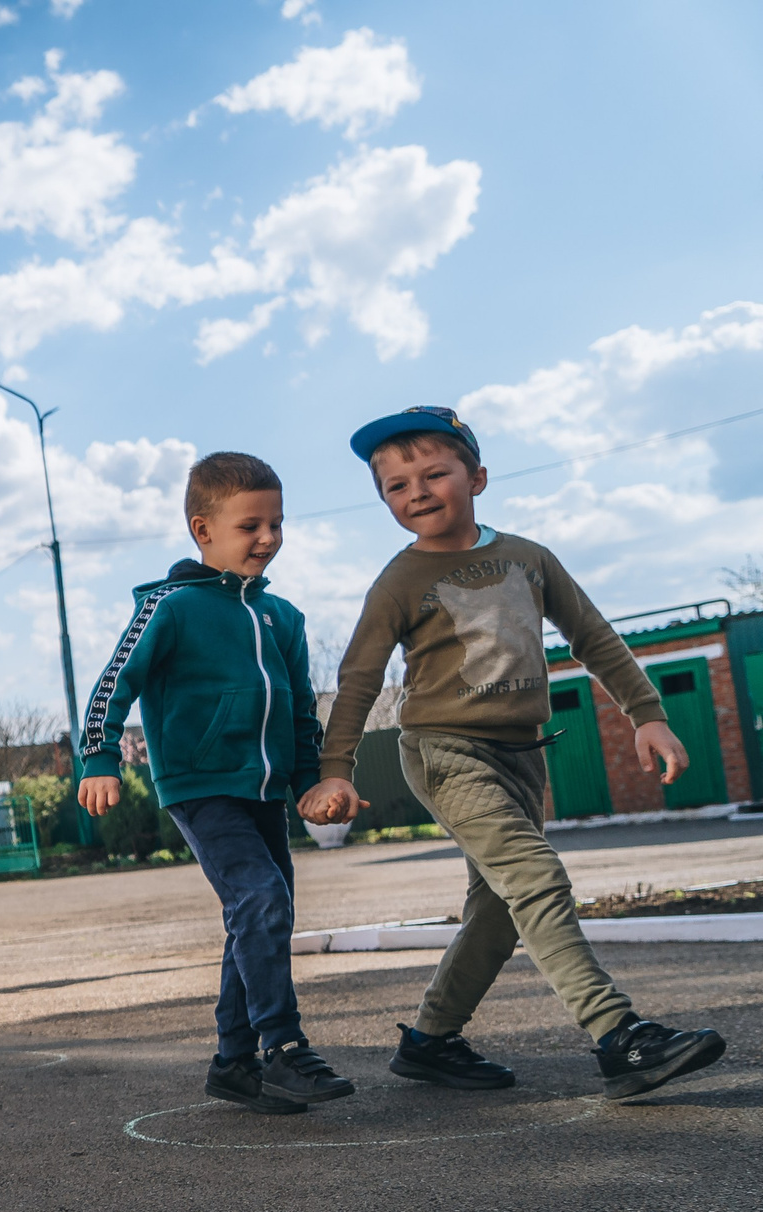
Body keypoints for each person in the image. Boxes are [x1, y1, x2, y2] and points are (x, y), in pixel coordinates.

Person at [299, 406, 727, 1100]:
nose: (417, 492)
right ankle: (619, 1036)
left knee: (499, 910)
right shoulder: (399, 582)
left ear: (478, 475)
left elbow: (592, 636)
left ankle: (432, 1040)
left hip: (523, 754)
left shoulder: (529, 557)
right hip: (444, 751)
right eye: (396, 487)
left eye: (434, 473)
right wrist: (336, 768)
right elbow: (359, 678)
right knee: (535, 876)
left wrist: (647, 715)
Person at [76, 452, 352, 1115]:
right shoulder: (169, 606)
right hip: (200, 784)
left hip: (263, 790)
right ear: (203, 530)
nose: (267, 538)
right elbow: (116, 678)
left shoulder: (283, 618)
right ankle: (282, 1047)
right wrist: (99, 756)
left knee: (260, 911)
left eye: (277, 524)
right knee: (260, 898)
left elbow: (299, 711)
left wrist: (312, 783)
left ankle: (233, 1062)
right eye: (250, 525)